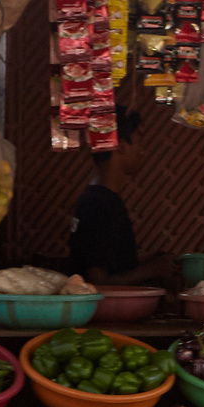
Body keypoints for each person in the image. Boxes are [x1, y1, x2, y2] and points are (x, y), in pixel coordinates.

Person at [68, 115, 179, 290]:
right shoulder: (99, 206)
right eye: (139, 140)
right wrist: (151, 270)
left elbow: (109, 262)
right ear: (119, 146)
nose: (143, 151)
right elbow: (97, 284)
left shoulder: (100, 198)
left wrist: (150, 260)